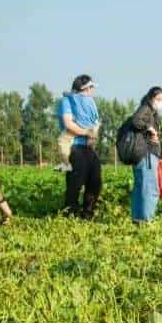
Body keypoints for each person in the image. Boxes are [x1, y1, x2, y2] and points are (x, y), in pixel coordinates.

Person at [57, 75, 102, 219]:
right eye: (89, 88)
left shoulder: (89, 103)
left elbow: (95, 123)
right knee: (75, 183)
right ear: (82, 89)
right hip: (74, 146)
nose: (91, 91)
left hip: (88, 148)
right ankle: (71, 214)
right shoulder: (67, 101)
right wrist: (86, 132)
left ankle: (88, 213)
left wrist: (93, 136)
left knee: (95, 181)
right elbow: (68, 123)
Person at [121, 87, 162, 223]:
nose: (160, 102)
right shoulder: (146, 109)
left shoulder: (152, 113)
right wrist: (150, 128)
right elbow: (136, 121)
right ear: (150, 98)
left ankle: (137, 219)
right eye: (158, 99)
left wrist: (154, 135)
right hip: (146, 154)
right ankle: (147, 220)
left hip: (142, 156)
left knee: (141, 188)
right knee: (150, 188)